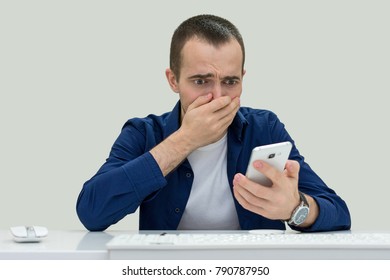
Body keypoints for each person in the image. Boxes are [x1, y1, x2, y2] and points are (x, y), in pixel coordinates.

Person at [76, 14, 351, 232]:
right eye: (201, 81)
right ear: (173, 80)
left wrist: (295, 208)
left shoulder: (264, 127)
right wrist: (185, 140)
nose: (217, 97)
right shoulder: (143, 133)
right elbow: (92, 212)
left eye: (230, 82)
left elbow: (338, 212)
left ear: (243, 78)